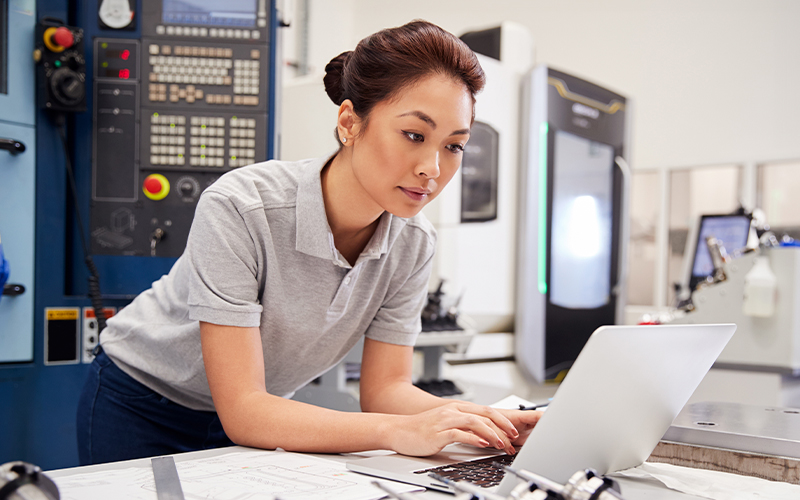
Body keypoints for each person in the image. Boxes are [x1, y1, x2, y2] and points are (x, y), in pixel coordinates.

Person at [77, 19, 541, 465]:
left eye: (453, 145)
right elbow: (244, 410)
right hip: (143, 401)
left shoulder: (413, 242)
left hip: (272, 416)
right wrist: (393, 431)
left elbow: (385, 390)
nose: (433, 168)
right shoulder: (242, 207)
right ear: (350, 122)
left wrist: (487, 423)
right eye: (414, 135)